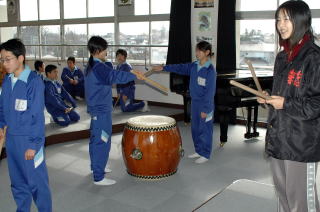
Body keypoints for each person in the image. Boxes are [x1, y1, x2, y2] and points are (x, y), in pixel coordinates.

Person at [257, 1, 320, 211]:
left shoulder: (314, 57)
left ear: (301, 20)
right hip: (279, 137)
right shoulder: (283, 56)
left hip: (301, 143)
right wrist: (268, 97)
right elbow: (282, 94)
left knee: (301, 201)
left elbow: (316, 104)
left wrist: (285, 103)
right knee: (283, 196)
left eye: (286, 19)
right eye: (278, 19)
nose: (280, 24)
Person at [84, 36, 145, 186]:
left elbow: (111, 74)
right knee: (102, 140)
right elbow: (115, 76)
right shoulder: (99, 67)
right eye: (105, 49)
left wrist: (132, 74)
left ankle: (96, 167)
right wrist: (133, 75)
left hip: (97, 109)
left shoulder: (92, 65)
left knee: (96, 140)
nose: (107, 52)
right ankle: (99, 176)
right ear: (98, 51)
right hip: (100, 110)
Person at [0, 38, 52, 211]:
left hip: (29, 141)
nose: (4, 63)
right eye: (2, 59)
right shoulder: (7, 81)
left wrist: (33, 145)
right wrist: (1, 130)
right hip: (12, 140)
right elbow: (2, 110)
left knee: (37, 183)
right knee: (18, 182)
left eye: (8, 59)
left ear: (20, 58)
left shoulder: (33, 81)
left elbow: (37, 116)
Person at [152, 41, 216, 164]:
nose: (196, 53)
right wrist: (164, 67)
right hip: (195, 103)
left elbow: (210, 92)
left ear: (207, 52)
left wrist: (206, 109)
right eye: (196, 50)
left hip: (205, 104)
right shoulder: (194, 66)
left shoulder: (210, 70)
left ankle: (205, 153)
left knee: (205, 129)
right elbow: (179, 67)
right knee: (195, 128)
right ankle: (198, 150)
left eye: (199, 51)